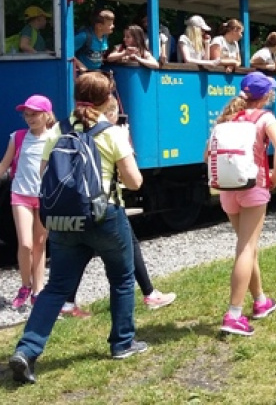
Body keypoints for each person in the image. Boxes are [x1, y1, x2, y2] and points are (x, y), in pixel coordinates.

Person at [9, 72, 147, 385]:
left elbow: (46, 176)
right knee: (122, 278)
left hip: (64, 222)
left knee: (56, 287)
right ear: (106, 99)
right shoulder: (111, 133)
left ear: (76, 97)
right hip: (105, 217)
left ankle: (27, 350)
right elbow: (134, 181)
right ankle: (122, 343)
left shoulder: (57, 130)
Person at [60, 96, 177, 318]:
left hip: (72, 203)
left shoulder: (63, 130)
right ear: (111, 113)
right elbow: (134, 182)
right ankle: (142, 306)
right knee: (123, 262)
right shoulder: (111, 133)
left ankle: (66, 303)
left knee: (82, 251)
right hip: (105, 204)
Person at [209, 72, 276, 336]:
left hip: (227, 189)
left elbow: (207, 152)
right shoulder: (265, 118)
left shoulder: (227, 117)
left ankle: (261, 301)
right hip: (253, 186)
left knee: (248, 247)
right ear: (265, 95)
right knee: (245, 248)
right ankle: (233, 314)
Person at [0, 95, 56, 309]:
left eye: (34, 114)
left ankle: (37, 290)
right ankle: (25, 285)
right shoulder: (18, 137)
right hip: (20, 195)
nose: (29, 118)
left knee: (39, 244)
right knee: (25, 243)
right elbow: (4, 165)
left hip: (45, 198)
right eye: (26, 114)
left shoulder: (54, 138)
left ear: (46, 115)